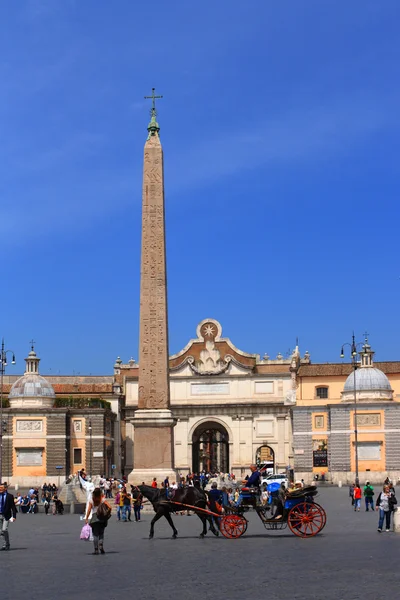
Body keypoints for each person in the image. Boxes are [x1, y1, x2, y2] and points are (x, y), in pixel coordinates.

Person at [85, 487, 111, 555]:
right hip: (102, 518)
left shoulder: (92, 500)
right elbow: (110, 507)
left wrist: (87, 518)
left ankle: (96, 549)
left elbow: (89, 510)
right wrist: (107, 513)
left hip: (94, 518)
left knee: (95, 534)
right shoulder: (102, 499)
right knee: (101, 533)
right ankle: (101, 546)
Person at [0, 482, 17, 551]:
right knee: (1, 532)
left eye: (1, 488)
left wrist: (14, 516)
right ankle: (5, 544)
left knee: (4, 529)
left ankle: (7, 544)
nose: (0, 489)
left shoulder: (10, 496)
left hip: (6, 515)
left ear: (5, 488)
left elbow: (13, 506)